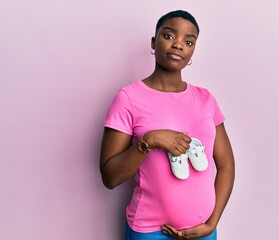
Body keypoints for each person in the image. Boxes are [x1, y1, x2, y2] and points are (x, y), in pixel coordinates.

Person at [100, 10, 235, 240]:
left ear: (193, 50)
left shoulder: (206, 99)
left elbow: (226, 165)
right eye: (169, 36)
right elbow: (110, 177)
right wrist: (149, 141)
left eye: (188, 41)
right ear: (154, 41)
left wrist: (212, 224)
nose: (179, 45)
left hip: (201, 232)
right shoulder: (128, 98)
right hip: (149, 231)